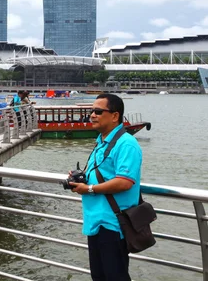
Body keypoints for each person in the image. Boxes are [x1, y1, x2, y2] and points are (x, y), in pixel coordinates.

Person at [69, 93, 142, 281]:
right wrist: (81, 180)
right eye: (92, 111)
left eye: (98, 111)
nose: (92, 115)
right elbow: (102, 175)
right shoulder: (101, 142)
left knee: (115, 276)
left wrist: (90, 189)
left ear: (115, 116)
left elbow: (125, 182)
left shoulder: (127, 144)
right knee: (99, 277)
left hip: (113, 224)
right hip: (95, 222)